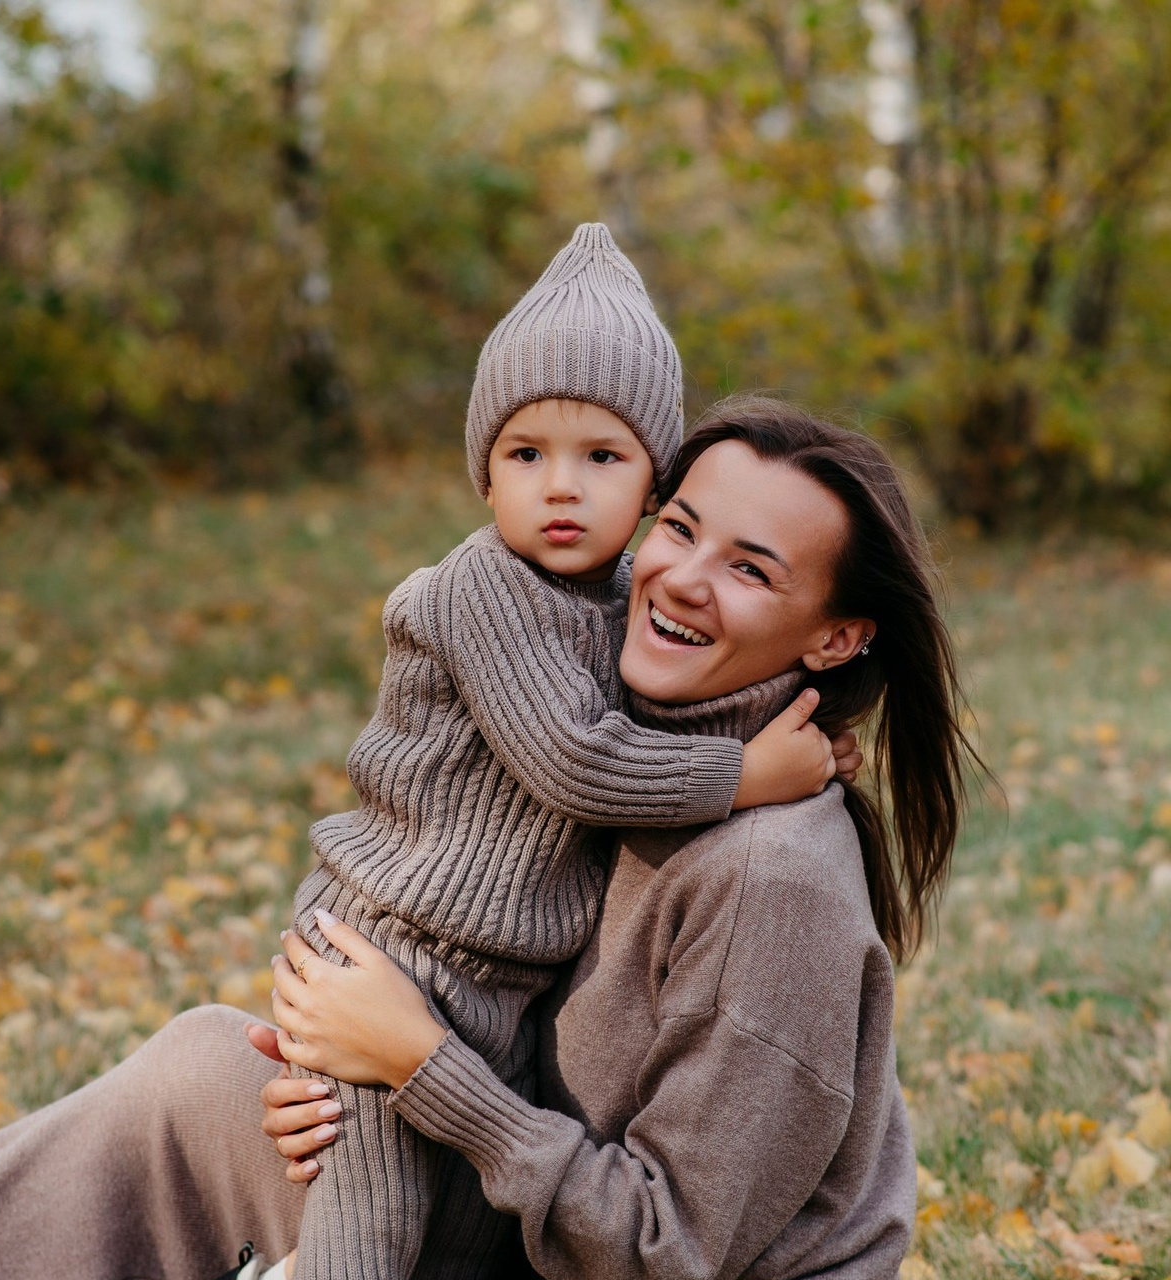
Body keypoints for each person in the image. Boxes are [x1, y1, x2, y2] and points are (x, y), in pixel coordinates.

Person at [252, 395, 974, 1279]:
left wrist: (418, 1063)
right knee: (203, 1073)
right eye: (679, 529)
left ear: (836, 638)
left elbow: (667, 1252)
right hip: (517, 1218)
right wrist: (340, 1077)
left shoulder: (771, 879)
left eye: (750, 571)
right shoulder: (616, 755)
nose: (679, 579)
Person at [277, 226, 841, 1280]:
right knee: (368, 1233)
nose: (561, 487)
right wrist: (746, 774)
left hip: (487, 985)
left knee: (460, 1244)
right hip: (393, 948)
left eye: (602, 457)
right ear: (483, 475)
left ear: (649, 486)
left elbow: (687, 697)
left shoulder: (623, 598)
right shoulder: (485, 585)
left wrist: (791, 737)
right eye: (524, 454)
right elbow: (578, 762)